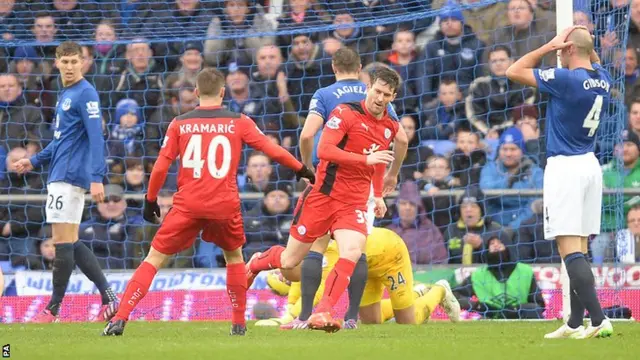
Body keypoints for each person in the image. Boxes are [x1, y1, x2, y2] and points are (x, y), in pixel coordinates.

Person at [101, 68, 315, 337]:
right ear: (223, 92)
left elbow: (160, 165)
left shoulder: (180, 123)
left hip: (188, 203)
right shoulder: (239, 121)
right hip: (224, 204)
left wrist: (150, 199)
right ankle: (238, 324)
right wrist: (301, 169)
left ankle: (120, 318)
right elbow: (271, 149)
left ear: (196, 93)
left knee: (154, 258)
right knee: (234, 257)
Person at [246, 67, 408, 332]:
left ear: (393, 97)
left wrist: (377, 194)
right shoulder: (344, 112)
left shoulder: (390, 126)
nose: (380, 98)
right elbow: (325, 150)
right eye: (377, 91)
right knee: (289, 260)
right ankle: (256, 262)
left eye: (386, 95)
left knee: (353, 252)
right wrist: (365, 159)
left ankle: (323, 312)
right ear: (368, 87)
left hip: (353, 202)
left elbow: (379, 162)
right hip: (323, 196)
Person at [506, 25, 613, 338]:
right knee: (579, 246)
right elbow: (591, 57)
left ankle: (599, 319)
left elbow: (514, 70)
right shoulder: (603, 79)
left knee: (569, 250)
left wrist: (547, 45)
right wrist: (582, 38)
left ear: (567, 50)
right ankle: (574, 322)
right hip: (590, 166)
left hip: (565, 167)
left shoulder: (566, 79)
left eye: (561, 49)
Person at [295, 47, 406, 329]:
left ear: (333, 67)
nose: (380, 97)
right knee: (356, 250)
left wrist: (306, 167)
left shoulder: (325, 94)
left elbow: (307, 134)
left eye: (385, 95)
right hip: (363, 185)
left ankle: (306, 315)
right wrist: (391, 177)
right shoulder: (379, 100)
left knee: (316, 248)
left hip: (328, 179)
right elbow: (401, 139)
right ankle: (351, 317)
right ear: (360, 71)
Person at [14, 41, 119, 323]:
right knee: (69, 241)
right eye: (66, 61)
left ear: (83, 63)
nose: (71, 66)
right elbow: (61, 141)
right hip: (60, 172)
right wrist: (34, 161)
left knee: (62, 242)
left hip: (70, 176)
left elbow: (97, 137)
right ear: (57, 63)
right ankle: (109, 297)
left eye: (76, 61)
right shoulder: (66, 94)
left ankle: (53, 309)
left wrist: (97, 178)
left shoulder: (86, 93)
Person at [258, 227, 460, 328]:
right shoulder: (306, 257)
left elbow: (317, 294)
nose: (284, 277)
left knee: (407, 323)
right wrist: (287, 315)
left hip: (390, 255)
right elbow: (300, 288)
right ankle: (417, 291)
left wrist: (287, 319)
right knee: (371, 322)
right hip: (363, 267)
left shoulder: (326, 256)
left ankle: (440, 290)